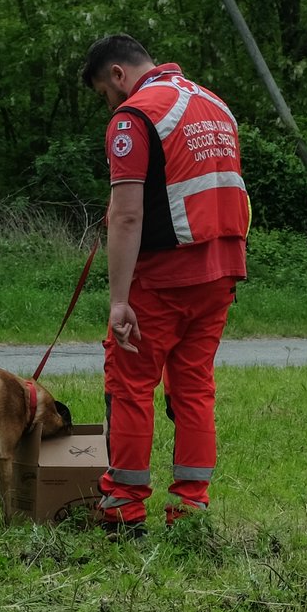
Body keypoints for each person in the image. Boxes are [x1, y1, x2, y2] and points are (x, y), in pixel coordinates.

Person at [79, 34, 251, 538]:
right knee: (194, 388)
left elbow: (128, 216)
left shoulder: (134, 116)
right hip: (221, 271)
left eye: (103, 94)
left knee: (130, 385)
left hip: (163, 278)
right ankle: (190, 511)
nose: (109, 105)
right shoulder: (214, 104)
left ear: (117, 74)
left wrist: (117, 301)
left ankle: (123, 509)